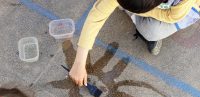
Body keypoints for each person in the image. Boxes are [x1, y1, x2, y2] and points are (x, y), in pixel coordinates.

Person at [69, 0, 200, 86]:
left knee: (151, 32)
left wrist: (147, 11)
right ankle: (127, 8)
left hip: (180, 7)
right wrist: (79, 63)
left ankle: (129, 10)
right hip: (161, 7)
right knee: (109, 5)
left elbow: (171, 16)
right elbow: (96, 17)